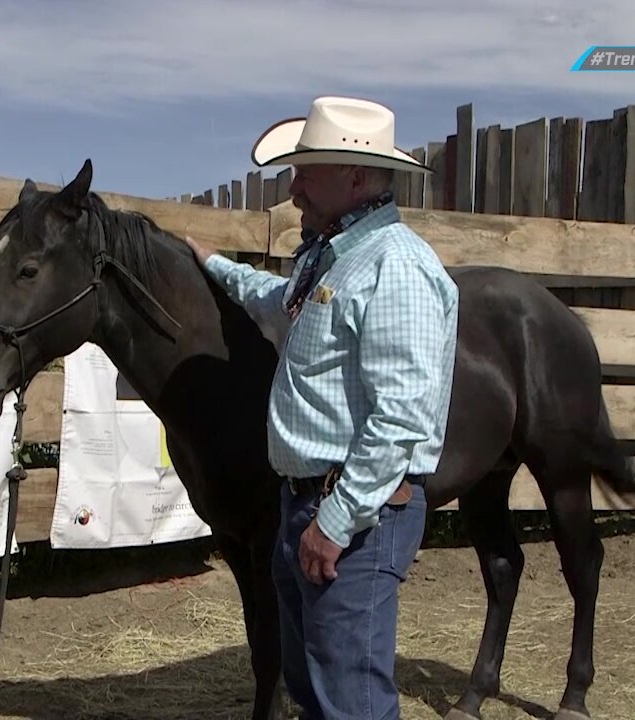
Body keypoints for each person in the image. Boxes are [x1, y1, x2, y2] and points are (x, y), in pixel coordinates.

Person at [183, 96, 460, 719]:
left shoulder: (397, 266)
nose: (293, 188)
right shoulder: (334, 258)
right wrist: (214, 265)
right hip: (307, 503)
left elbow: (400, 420)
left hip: (353, 517)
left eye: (306, 172)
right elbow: (275, 300)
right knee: (312, 688)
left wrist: (334, 524)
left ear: (355, 177)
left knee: (351, 702)